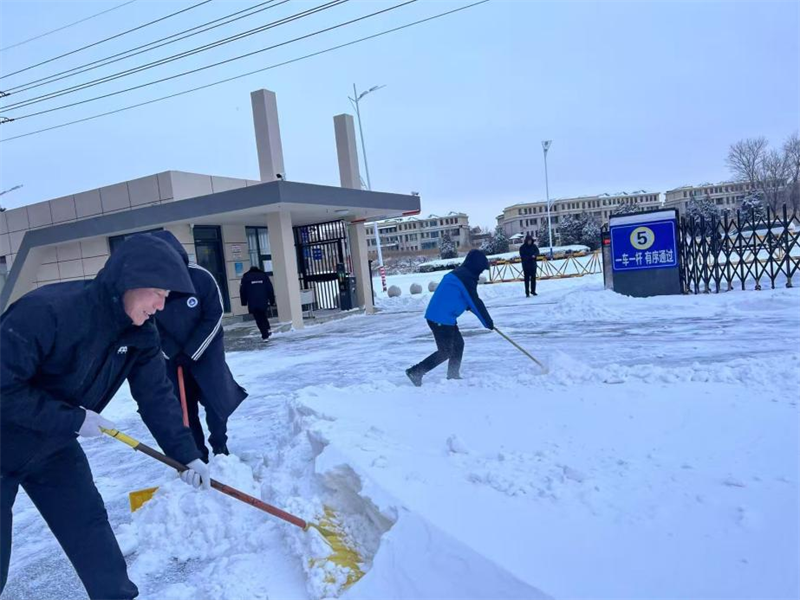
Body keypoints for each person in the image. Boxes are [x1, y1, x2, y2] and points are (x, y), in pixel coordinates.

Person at [0, 235, 211, 600]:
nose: (162, 305)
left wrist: (185, 454)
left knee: (92, 535)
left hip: (52, 450)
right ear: (131, 279)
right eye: (158, 292)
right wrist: (73, 420)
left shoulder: (141, 333)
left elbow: (156, 396)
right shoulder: (47, 312)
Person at [152, 231, 248, 462]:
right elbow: (150, 322)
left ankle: (220, 446)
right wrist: (173, 351)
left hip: (206, 352)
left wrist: (192, 351)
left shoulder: (201, 278)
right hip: (172, 357)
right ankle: (198, 454)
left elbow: (214, 316)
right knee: (184, 409)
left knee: (216, 400)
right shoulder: (152, 285)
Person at [406, 250, 494, 386]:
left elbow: (458, 296)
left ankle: (453, 375)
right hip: (440, 318)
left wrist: (467, 305)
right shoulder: (465, 277)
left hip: (443, 317)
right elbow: (475, 301)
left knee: (458, 345)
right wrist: (488, 322)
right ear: (476, 266)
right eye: (481, 269)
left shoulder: (461, 274)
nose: (481, 272)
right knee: (445, 351)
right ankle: (416, 371)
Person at [239, 265, 276, 341]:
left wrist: (244, 302)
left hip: (252, 301)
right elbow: (270, 288)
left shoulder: (246, 276)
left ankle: (265, 334)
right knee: (263, 315)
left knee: (258, 318)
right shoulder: (264, 275)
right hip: (263, 300)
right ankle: (267, 329)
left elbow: (242, 290)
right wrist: (272, 300)